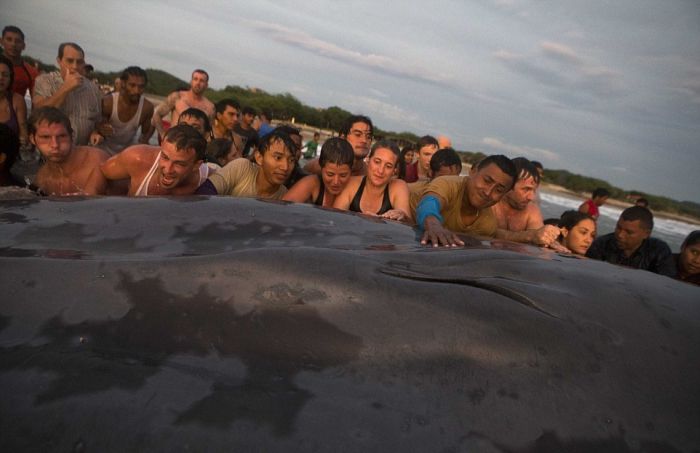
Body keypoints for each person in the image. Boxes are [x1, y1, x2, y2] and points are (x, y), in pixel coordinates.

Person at [416, 154, 517, 247]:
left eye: (499, 190)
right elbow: (430, 202)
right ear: (473, 172)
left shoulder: (487, 224)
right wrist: (433, 225)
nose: (488, 192)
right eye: (487, 181)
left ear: (504, 195)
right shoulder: (447, 184)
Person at [100, 124, 209, 196]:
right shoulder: (137, 158)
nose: (168, 169)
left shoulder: (208, 180)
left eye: (179, 164)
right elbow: (101, 170)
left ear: (196, 165)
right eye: (165, 157)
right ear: (161, 146)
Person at [33, 42, 102, 146]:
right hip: (51, 151)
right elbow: (39, 115)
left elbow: (96, 121)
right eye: (70, 61)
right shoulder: (45, 81)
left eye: (79, 62)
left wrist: (95, 132)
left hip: (80, 152)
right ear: (59, 61)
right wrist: (66, 88)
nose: (75, 66)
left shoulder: (93, 89)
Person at [196, 129, 296, 199]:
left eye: (291, 160)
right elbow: (205, 192)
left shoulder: (286, 197)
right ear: (259, 157)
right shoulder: (242, 167)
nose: (285, 167)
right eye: (278, 157)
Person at [29, 107, 108, 195]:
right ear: (32, 139)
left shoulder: (97, 161)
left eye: (62, 136)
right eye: (45, 137)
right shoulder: (41, 180)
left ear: (72, 136)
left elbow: (90, 205)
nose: (55, 145)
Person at [492, 157, 563, 249]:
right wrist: (530, 235)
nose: (531, 197)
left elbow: (538, 236)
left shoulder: (532, 210)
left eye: (534, 190)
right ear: (508, 184)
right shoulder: (490, 202)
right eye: (526, 189)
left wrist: (548, 240)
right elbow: (487, 231)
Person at [333, 139, 411, 222]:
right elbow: (334, 219)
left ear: (394, 170)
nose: (380, 171)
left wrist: (401, 215)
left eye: (388, 166)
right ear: (368, 160)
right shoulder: (352, 183)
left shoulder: (398, 187)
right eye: (377, 162)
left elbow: (408, 223)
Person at [585, 206, 675, 276]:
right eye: (618, 228)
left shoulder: (659, 251)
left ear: (646, 234)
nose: (620, 235)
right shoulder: (602, 243)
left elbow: (666, 285)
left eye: (629, 232)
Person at [90, 66, 154, 155]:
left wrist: (141, 147)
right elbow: (95, 127)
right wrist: (100, 129)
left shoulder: (147, 108)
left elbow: (145, 134)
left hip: (126, 153)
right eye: (132, 85)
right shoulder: (108, 103)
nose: (137, 91)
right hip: (102, 150)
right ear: (123, 83)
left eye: (141, 87)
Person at [283, 137, 354, 208]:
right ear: (321, 167)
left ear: (351, 171)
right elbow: (282, 209)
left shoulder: (355, 186)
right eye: (330, 174)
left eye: (343, 175)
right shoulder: (312, 183)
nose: (336, 182)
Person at [152, 69, 214, 140]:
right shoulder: (177, 97)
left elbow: (209, 131)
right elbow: (156, 114)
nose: (198, 83)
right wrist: (163, 134)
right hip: (174, 140)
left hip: (194, 145)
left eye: (201, 80)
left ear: (206, 85)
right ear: (191, 81)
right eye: (195, 79)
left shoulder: (210, 107)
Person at [305, 114, 373, 176]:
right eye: (358, 134)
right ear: (343, 137)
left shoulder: (370, 176)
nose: (364, 140)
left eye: (368, 137)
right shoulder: (318, 168)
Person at [408, 148, 463, 215]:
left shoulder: (462, 199)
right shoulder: (414, 192)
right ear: (431, 173)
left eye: (454, 180)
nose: (449, 185)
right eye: (443, 181)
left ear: (459, 171)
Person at [1, 26, 39, 98]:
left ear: (24, 46)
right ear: (1, 41)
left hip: (16, 107)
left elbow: (36, 103)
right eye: (9, 39)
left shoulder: (31, 72)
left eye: (18, 41)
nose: (13, 44)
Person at [0, 55, 28, 148]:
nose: (1, 78)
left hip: (9, 155)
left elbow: (23, 134)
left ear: (10, 78)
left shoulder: (17, 101)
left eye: (5, 75)